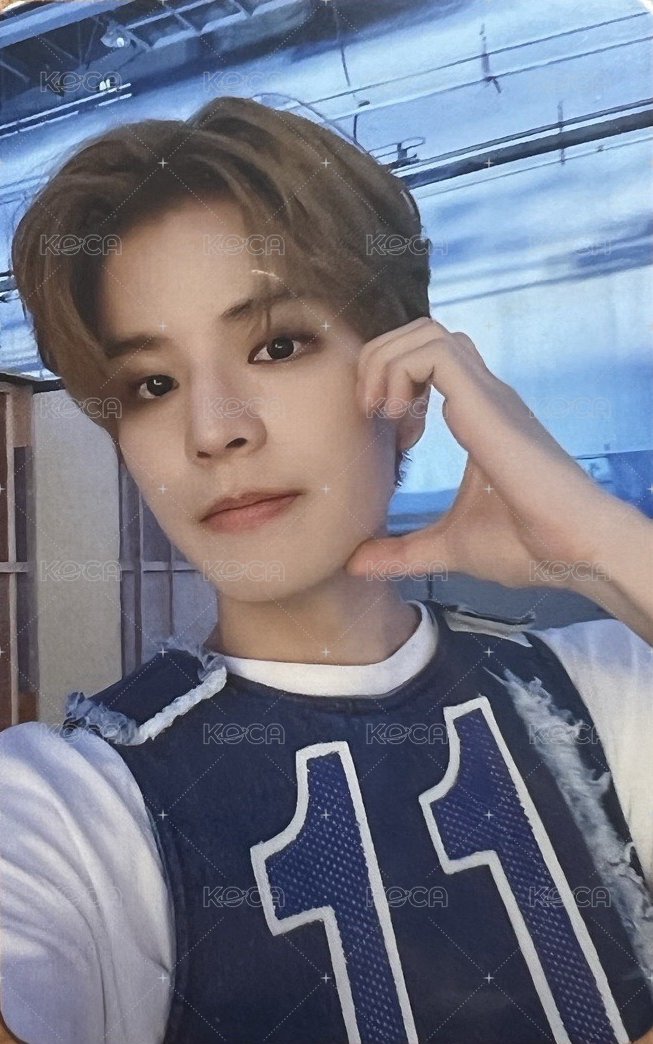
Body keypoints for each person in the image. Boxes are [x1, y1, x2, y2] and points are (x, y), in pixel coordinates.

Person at [1, 95, 652, 1044]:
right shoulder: (66, 803)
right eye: (153, 384)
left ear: (407, 390)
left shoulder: (603, 691)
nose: (213, 429)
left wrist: (599, 548)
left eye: (277, 345)